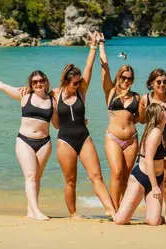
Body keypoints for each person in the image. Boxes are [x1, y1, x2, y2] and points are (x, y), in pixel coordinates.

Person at [0, 64, 54, 220]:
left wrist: (79, 121)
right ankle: (37, 212)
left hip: (44, 143)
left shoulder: (52, 101)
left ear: (46, 82)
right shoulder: (24, 96)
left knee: (36, 178)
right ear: (30, 83)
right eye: (34, 82)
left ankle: (30, 212)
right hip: (25, 141)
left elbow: (57, 124)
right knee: (30, 176)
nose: (38, 84)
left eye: (40, 81)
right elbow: (1, 86)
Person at [53, 31, 116, 219]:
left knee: (97, 176)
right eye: (74, 82)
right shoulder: (55, 94)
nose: (78, 84)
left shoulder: (81, 91)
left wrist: (94, 46)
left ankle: (111, 210)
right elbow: (53, 122)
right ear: (66, 81)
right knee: (70, 181)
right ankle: (73, 214)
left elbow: (89, 66)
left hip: (83, 137)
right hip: (65, 140)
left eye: (79, 82)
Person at [98, 33, 141, 208]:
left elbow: (139, 118)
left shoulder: (137, 97)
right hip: (113, 138)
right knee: (116, 173)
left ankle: (123, 208)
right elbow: (104, 68)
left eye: (129, 78)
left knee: (126, 175)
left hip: (132, 140)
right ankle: (114, 209)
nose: (126, 80)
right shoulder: (110, 91)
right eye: (123, 77)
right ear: (118, 77)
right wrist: (101, 44)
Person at [114, 103, 166, 226]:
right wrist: (155, 187)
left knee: (154, 222)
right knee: (120, 221)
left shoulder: (159, 130)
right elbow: (148, 160)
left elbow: (154, 155)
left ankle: (155, 214)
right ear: (159, 115)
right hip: (142, 177)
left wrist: (164, 163)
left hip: (157, 177)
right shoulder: (156, 133)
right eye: (163, 110)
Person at [139, 69, 166, 223]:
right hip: (152, 142)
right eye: (158, 82)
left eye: (165, 81)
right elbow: (141, 119)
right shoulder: (145, 99)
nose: (162, 84)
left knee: (165, 177)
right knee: (149, 176)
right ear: (151, 83)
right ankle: (152, 210)